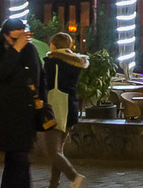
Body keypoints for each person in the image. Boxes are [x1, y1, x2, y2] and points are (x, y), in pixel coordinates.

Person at [0, 18, 44, 188]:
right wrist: (15, 50)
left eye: (21, 38)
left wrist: (41, 102)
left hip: (25, 112)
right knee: (14, 158)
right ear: (4, 35)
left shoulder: (29, 50)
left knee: (20, 158)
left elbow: (39, 76)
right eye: (14, 38)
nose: (19, 42)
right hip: (4, 114)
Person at [38, 32, 89, 188]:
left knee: (52, 151)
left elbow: (45, 85)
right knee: (58, 150)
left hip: (55, 108)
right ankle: (53, 184)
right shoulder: (74, 63)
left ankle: (74, 177)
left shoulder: (53, 62)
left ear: (53, 45)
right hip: (70, 108)